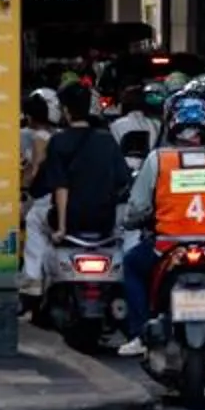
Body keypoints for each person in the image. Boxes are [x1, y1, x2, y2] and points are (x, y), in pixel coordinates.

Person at [117, 89, 205, 358]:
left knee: (131, 264)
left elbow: (137, 208)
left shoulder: (158, 160)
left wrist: (136, 220)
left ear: (173, 124)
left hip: (165, 247)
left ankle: (140, 333)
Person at [36, 81, 133, 242]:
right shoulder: (107, 139)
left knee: (34, 217)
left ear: (65, 110)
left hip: (71, 222)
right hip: (104, 223)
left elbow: (61, 186)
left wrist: (61, 228)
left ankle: (32, 268)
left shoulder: (58, 141)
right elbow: (123, 181)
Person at [19, 88, 60, 297]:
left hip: (43, 198)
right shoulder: (59, 136)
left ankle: (32, 281)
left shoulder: (37, 138)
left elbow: (35, 169)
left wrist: (26, 187)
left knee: (34, 227)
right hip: (62, 198)